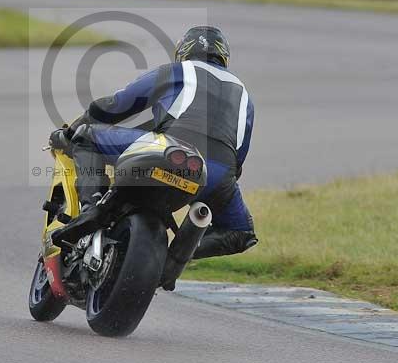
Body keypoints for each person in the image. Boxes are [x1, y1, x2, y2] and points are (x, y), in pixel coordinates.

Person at [51, 26, 257, 260]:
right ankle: (171, 259)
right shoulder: (244, 95)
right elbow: (239, 157)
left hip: (169, 149)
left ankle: (91, 209)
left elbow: (118, 104)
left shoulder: (179, 70)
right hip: (218, 173)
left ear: (183, 51)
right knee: (241, 232)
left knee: (86, 137)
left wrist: (72, 130)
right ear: (224, 56)